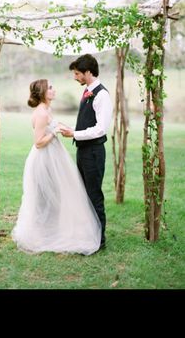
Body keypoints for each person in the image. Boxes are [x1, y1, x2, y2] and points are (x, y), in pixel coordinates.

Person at [11, 78, 101, 255]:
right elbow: (38, 143)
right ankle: (39, 234)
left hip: (53, 156)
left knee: (56, 195)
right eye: (50, 88)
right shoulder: (42, 113)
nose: (54, 90)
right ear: (43, 92)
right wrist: (55, 132)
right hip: (44, 159)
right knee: (46, 196)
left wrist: (59, 127)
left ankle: (52, 230)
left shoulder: (47, 110)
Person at [60, 54, 113, 250]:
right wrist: (73, 130)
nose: (75, 77)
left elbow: (101, 129)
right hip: (83, 152)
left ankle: (99, 241)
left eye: (77, 73)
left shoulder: (102, 95)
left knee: (94, 196)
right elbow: (87, 121)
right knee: (84, 195)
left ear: (88, 72)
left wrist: (74, 133)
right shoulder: (87, 91)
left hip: (93, 153)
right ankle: (88, 234)